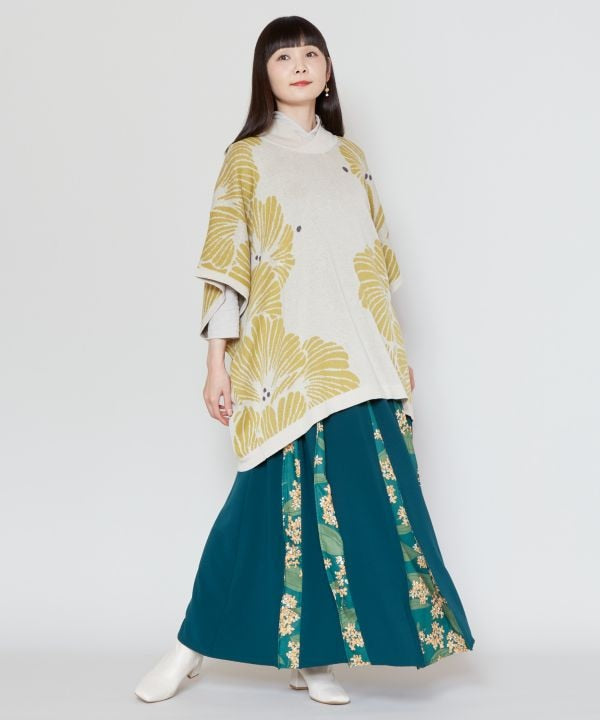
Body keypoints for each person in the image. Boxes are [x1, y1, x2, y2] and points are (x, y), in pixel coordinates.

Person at [134, 15, 475, 707]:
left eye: (310, 53)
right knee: (260, 511)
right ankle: (189, 646)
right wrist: (216, 363)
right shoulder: (246, 159)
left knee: (346, 508)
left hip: (360, 359)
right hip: (282, 366)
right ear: (264, 74)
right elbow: (227, 265)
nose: (299, 64)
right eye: (283, 56)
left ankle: (314, 656)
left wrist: (394, 353)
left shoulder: (350, 157)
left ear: (327, 70)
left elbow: (374, 266)